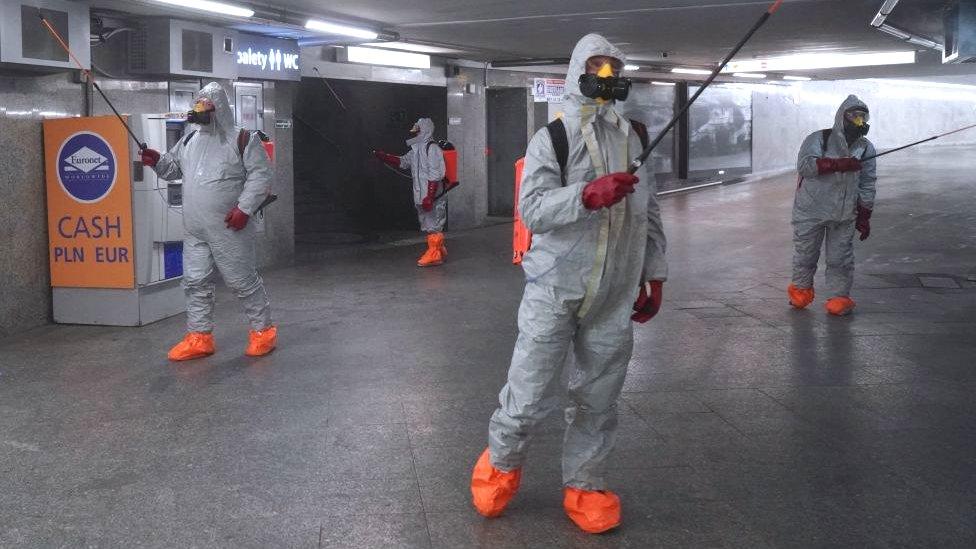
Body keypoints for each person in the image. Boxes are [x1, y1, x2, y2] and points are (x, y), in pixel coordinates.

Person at [469, 34, 667, 534]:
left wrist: (654, 272)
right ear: (579, 69)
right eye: (595, 65)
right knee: (529, 390)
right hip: (555, 287)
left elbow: (650, 211)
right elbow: (532, 210)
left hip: (615, 290)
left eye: (612, 66)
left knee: (599, 396)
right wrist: (587, 195)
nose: (604, 74)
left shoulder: (634, 137)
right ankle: (501, 466)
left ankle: (586, 483)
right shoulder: (551, 139)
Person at [140, 82, 277, 361]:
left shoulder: (243, 139)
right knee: (194, 281)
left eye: (205, 106)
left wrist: (244, 208)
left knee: (242, 280)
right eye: (197, 105)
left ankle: (263, 332)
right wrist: (157, 161)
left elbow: (261, 175)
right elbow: (173, 168)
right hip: (195, 228)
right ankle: (199, 337)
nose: (198, 111)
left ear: (220, 108)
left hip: (230, 226)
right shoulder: (191, 139)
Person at [789, 95, 877, 316]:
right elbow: (805, 166)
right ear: (842, 116)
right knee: (806, 254)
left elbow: (867, 182)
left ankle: (839, 298)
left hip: (844, 213)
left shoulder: (866, 148)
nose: (858, 120)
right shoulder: (819, 139)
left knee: (840, 258)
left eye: (861, 116)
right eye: (853, 115)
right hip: (811, 210)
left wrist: (864, 213)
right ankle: (801, 291)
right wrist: (837, 164)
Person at [372, 118, 448, 267]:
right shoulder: (416, 150)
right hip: (421, 194)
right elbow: (403, 162)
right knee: (427, 223)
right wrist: (385, 157)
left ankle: (434, 254)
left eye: (418, 130)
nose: (415, 133)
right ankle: (438, 249)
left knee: (433, 223)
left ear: (425, 130)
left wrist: (430, 196)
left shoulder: (432, 149)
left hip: (432, 196)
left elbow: (436, 174)